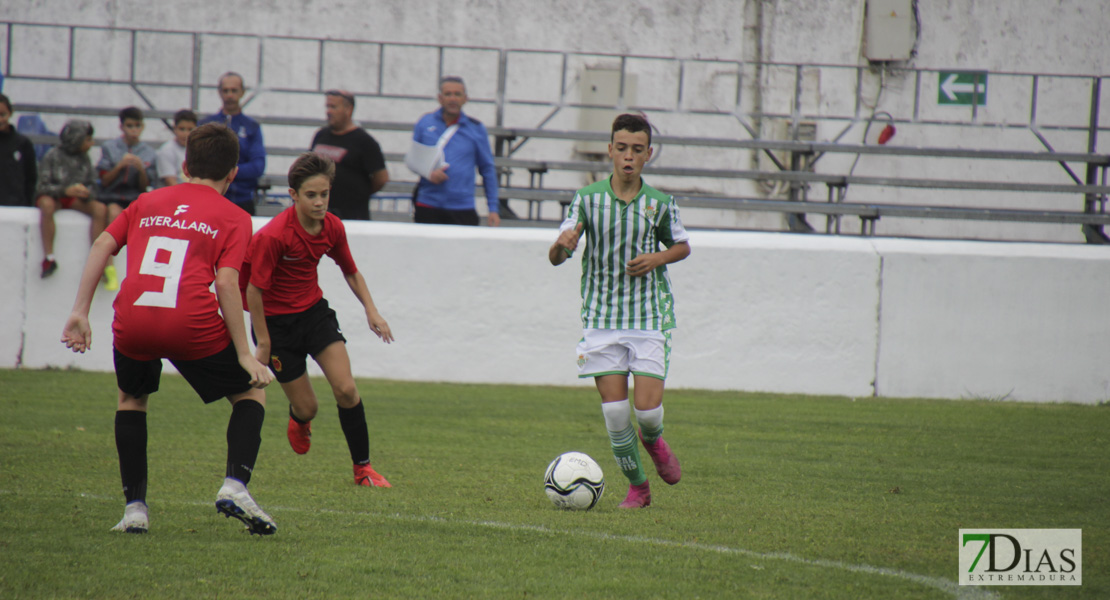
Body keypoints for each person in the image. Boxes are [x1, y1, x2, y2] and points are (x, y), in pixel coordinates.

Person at [60, 122, 278, 536]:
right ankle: (235, 484)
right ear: (233, 173)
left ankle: (135, 510)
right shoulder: (235, 216)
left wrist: (80, 311)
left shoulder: (148, 200)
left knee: (131, 400)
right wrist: (245, 353)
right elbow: (228, 283)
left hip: (134, 320)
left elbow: (102, 244)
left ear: (184, 163)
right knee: (250, 392)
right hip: (189, 322)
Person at [548, 113, 691, 509]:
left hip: (647, 318)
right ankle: (639, 487)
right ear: (610, 150)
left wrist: (657, 259)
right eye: (622, 148)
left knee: (645, 416)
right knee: (614, 414)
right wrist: (564, 244)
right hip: (601, 320)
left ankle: (655, 442)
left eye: (637, 150)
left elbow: (682, 246)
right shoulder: (587, 199)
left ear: (648, 154)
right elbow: (556, 256)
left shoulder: (660, 204)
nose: (628, 156)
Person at [242, 152, 395, 488]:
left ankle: (363, 469)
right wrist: (263, 343)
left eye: (324, 194)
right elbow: (254, 291)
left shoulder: (332, 227)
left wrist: (372, 310)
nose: (319, 202)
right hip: (277, 326)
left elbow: (350, 271)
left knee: (346, 389)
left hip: (314, 314)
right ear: (293, 195)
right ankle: (300, 419)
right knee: (308, 407)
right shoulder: (274, 236)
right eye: (311, 195)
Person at [410, 76, 500, 227]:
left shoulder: (476, 129)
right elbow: (413, 159)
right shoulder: (425, 123)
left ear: (465, 98)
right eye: (448, 94)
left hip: (462, 208)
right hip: (428, 205)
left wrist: (493, 209)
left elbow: (487, 169)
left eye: (457, 94)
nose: (453, 99)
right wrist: (428, 172)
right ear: (440, 98)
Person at [35, 120, 108, 280]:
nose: (91, 143)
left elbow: (94, 185)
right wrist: (65, 190)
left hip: (74, 200)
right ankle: (49, 257)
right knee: (46, 205)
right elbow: (41, 187)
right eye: (87, 139)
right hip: (56, 198)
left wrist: (85, 192)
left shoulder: (85, 159)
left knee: (100, 209)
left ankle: (97, 260)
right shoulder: (52, 156)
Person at [97, 106, 158, 290]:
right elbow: (104, 181)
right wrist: (119, 166)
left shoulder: (149, 152)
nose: (133, 130)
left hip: (134, 197)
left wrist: (140, 170)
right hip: (112, 196)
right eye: (129, 126)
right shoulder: (110, 147)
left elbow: (145, 186)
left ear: (142, 127)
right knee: (113, 213)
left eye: (137, 126)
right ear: (122, 127)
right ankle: (109, 267)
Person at [310, 90, 389, 221]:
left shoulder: (364, 141)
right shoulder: (321, 135)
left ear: (349, 109)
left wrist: (358, 193)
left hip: (350, 217)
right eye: (327, 107)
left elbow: (381, 178)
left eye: (333, 107)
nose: (328, 111)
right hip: (320, 214)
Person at [200, 72, 265, 215]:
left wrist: (225, 171)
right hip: (211, 201)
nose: (230, 95)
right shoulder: (206, 125)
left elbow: (258, 166)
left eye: (234, 90)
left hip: (243, 202)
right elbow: (199, 164)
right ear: (219, 92)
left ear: (242, 92)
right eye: (226, 90)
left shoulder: (252, 127)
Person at [0, 94, 38, 207]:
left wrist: (28, 203)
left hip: (16, 207)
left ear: (10, 113)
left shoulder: (23, 143)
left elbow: (31, 178)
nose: (0, 119)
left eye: (3, 114)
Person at [154, 109, 197, 187]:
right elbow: (171, 183)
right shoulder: (166, 150)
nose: (185, 133)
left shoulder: (199, 150)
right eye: (182, 129)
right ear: (175, 128)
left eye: (190, 129)